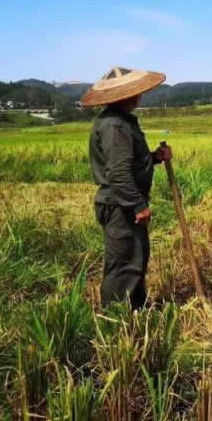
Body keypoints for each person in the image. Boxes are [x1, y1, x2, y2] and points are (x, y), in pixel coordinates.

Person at [81, 66, 171, 309]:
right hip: (120, 205)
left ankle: (136, 310)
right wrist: (138, 205)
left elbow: (128, 163)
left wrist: (154, 158)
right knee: (124, 264)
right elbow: (119, 173)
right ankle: (117, 320)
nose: (138, 96)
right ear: (125, 95)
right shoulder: (115, 126)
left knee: (135, 258)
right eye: (135, 92)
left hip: (122, 203)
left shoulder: (120, 122)